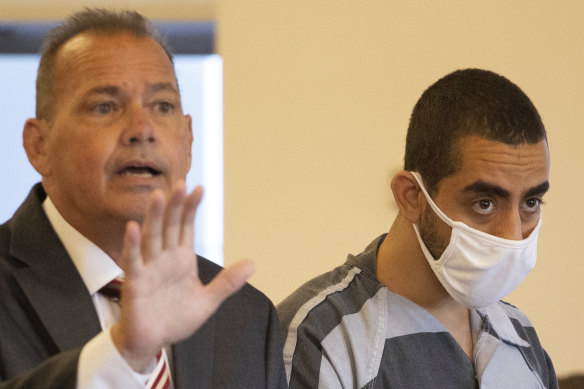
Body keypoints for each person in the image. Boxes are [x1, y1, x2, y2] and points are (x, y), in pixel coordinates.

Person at [0, 8, 286, 389]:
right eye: (105, 106)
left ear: (187, 141)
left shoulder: (245, 316)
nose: (142, 129)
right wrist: (125, 354)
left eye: (162, 106)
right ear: (39, 146)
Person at [278, 69, 558, 388]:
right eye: (485, 203)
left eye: (531, 203)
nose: (512, 234)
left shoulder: (520, 335)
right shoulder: (321, 336)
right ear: (411, 196)